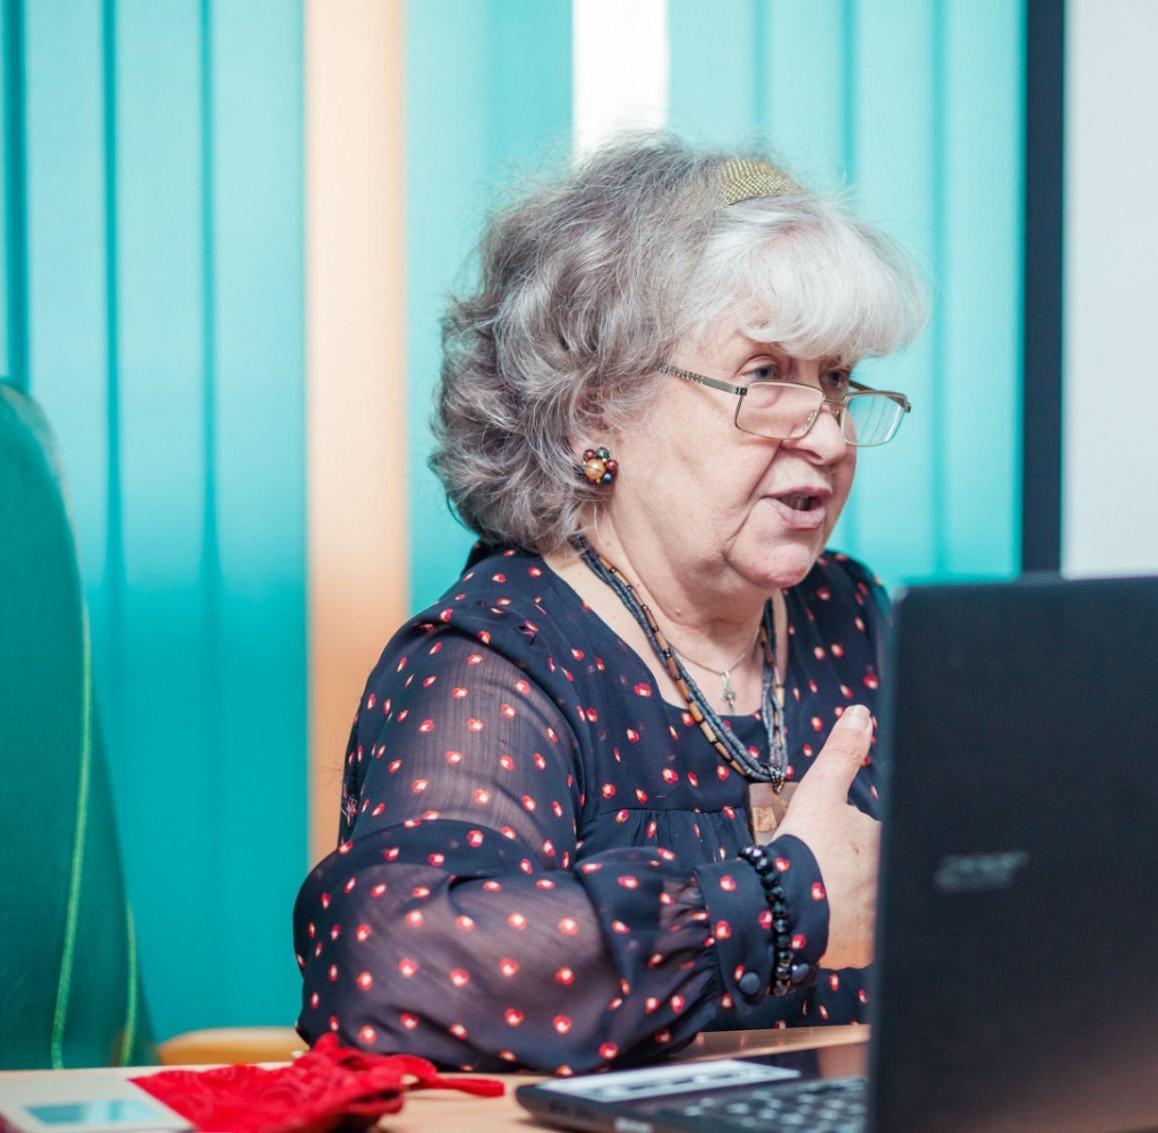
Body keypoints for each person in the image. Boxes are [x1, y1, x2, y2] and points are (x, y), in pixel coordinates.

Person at [292, 134, 926, 1075]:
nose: (830, 437)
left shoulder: (854, 619)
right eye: (764, 377)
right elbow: (386, 965)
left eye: (835, 379)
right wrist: (784, 902)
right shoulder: (497, 659)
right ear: (596, 410)